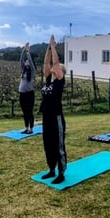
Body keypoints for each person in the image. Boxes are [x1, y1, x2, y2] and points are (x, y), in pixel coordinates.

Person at [40, 35, 67, 184]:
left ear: (60, 72)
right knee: (48, 144)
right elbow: (47, 62)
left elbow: (55, 63)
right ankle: (51, 169)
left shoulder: (59, 82)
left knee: (58, 146)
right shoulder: (47, 81)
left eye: (56, 69)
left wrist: (54, 47)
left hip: (56, 117)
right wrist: (48, 48)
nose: (53, 69)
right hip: (46, 116)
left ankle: (61, 172)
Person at [19, 43, 37, 134]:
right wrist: (24, 50)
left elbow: (29, 60)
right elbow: (20, 59)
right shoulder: (23, 70)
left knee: (30, 111)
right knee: (24, 112)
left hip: (29, 94)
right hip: (22, 94)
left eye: (27, 61)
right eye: (26, 61)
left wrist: (28, 53)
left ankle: (31, 128)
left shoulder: (33, 71)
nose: (26, 62)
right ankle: (26, 127)